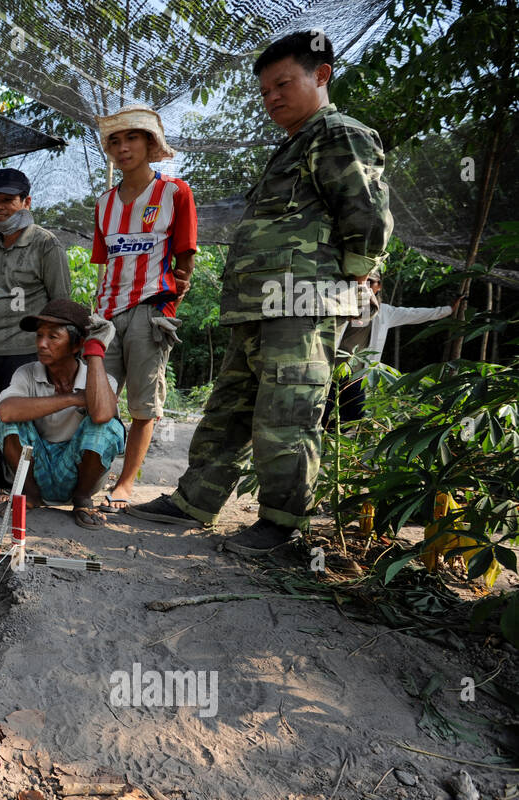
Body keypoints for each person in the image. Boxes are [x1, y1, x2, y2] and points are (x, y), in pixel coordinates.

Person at [130, 31, 393, 555]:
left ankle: (281, 524)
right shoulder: (293, 144)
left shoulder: (338, 133)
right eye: (265, 88)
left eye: (283, 83)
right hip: (260, 304)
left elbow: (365, 215)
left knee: (287, 413)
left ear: (321, 75)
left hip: (303, 301)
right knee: (229, 408)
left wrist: (359, 277)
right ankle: (194, 502)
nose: (272, 96)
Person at [91, 105, 197, 511]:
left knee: (143, 404)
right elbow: (107, 263)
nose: (122, 148)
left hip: (151, 309)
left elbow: (185, 261)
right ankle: (92, 475)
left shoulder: (175, 193)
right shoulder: (104, 203)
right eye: (114, 141)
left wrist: (169, 306)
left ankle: (126, 483)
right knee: (97, 400)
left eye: (131, 138)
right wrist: (98, 315)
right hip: (107, 313)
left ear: (151, 143)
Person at [0, 167, 71, 499]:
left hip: (23, 348)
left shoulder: (45, 244)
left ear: (26, 201)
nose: (0, 208)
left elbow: (60, 303)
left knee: (13, 418)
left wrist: (56, 354)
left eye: (8, 201)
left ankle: (7, 487)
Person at [0, 300, 126, 527]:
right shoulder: (26, 373)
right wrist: (73, 398)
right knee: (2, 418)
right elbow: (5, 412)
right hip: (37, 470)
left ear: (76, 346)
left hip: (78, 474)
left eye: (53, 337)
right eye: (39, 336)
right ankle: (29, 496)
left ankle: (83, 500)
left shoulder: (101, 380)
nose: (42, 344)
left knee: (107, 426)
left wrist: (94, 350)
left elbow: (103, 416)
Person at [324, 268, 464, 424]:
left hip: (358, 376)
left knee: (354, 416)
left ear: (379, 286)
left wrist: (448, 310)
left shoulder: (384, 312)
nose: (367, 286)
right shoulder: (342, 305)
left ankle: (333, 440)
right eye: (364, 282)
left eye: (371, 282)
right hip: (331, 371)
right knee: (322, 412)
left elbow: (414, 314)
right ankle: (322, 439)